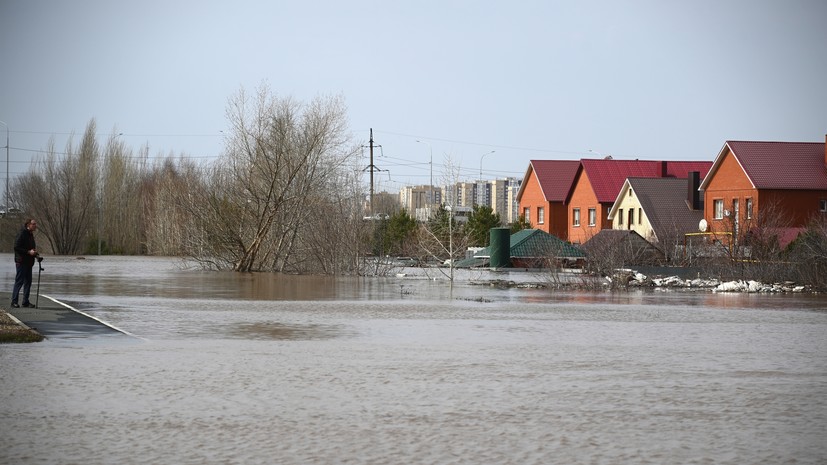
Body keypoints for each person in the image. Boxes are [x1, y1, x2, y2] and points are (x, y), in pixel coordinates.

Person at [11, 219, 38, 308]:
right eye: (33, 224)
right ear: (28, 225)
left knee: (28, 282)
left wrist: (35, 254)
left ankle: (25, 301)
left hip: (29, 262)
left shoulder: (30, 235)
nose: (35, 226)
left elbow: (30, 248)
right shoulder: (22, 233)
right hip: (21, 261)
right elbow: (16, 247)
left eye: (35, 224)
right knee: (19, 282)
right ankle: (14, 301)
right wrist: (28, 252)